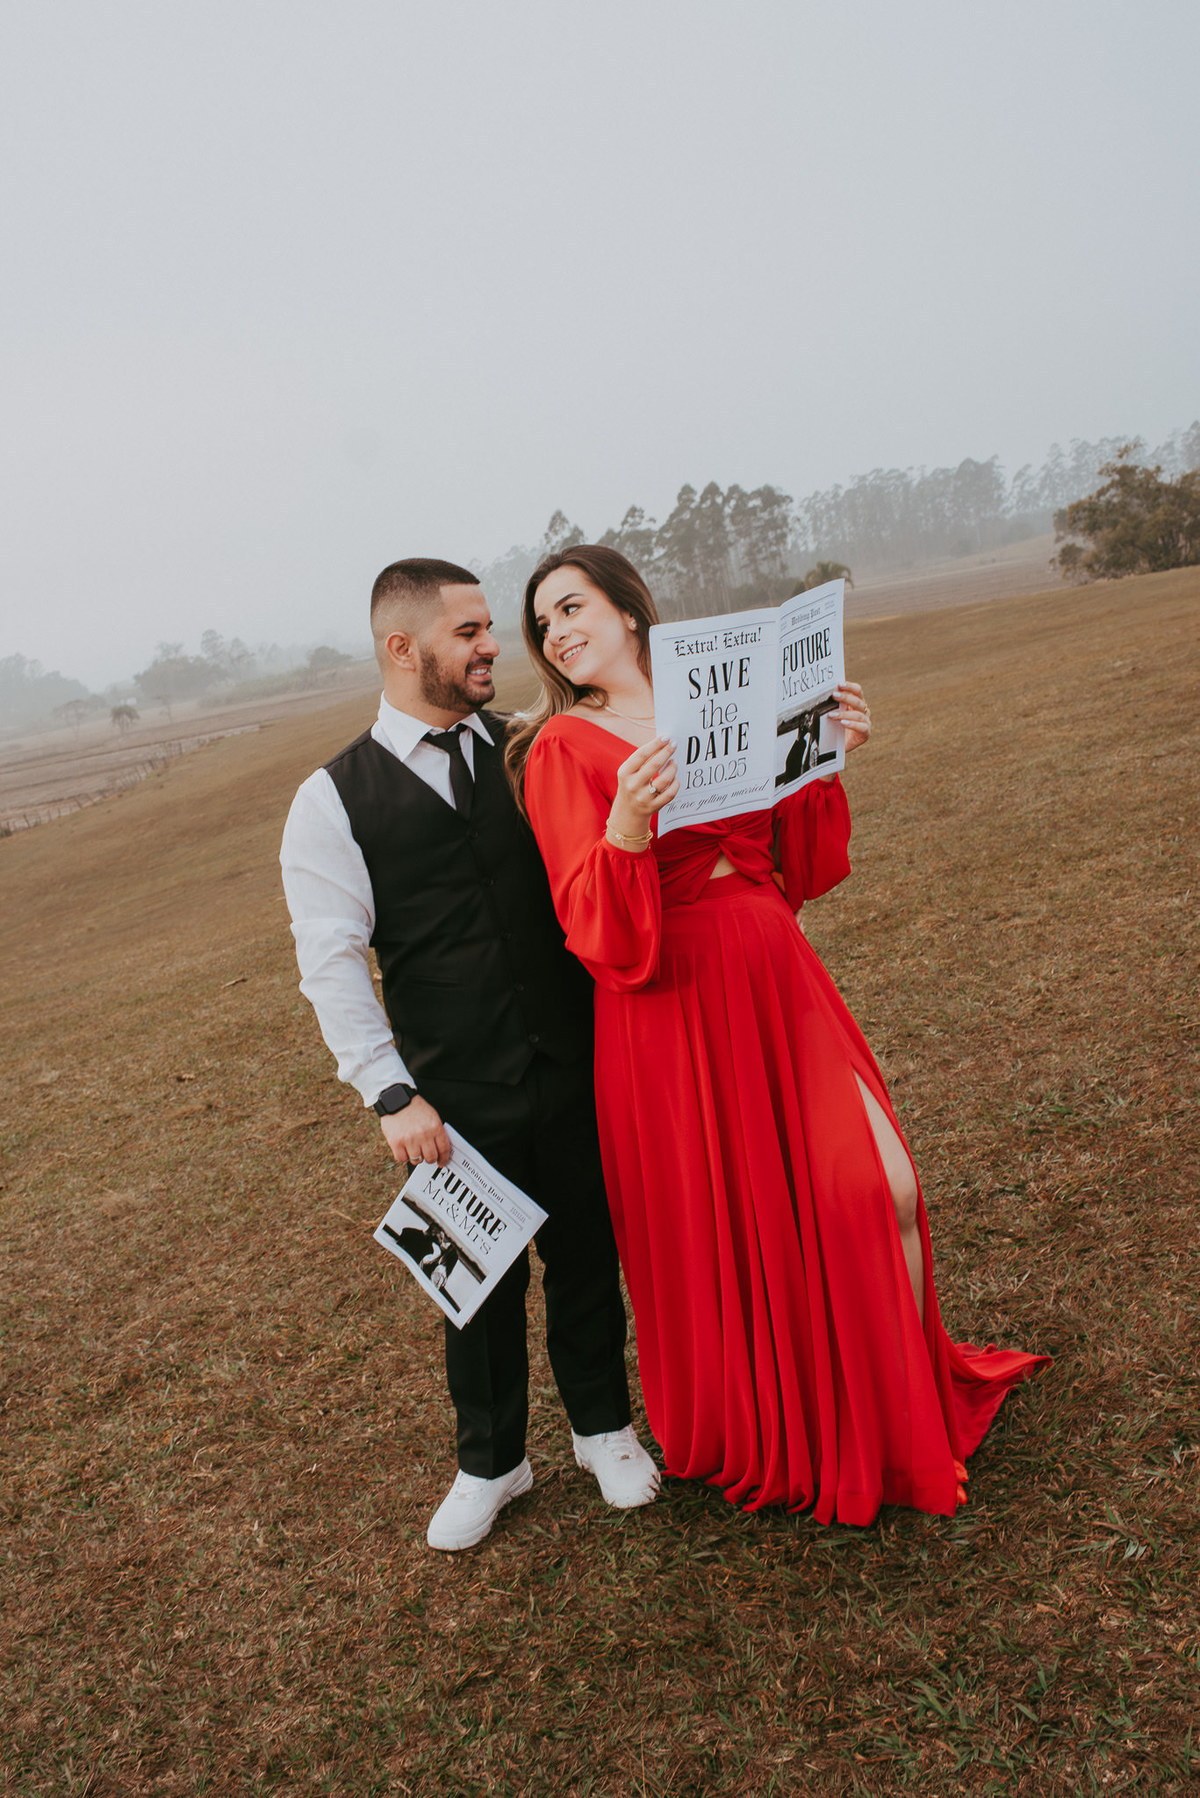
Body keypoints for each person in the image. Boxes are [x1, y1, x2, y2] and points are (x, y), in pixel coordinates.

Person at [507, 545, 1048, 1524]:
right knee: (742, 1217)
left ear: (629, 609)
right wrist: (627, 824)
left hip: (775, 968)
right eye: (544, 623)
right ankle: (798, 1422)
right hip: (668, 1005)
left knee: (883, 1184)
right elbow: (588, 925)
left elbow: (793, 866)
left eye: (573, 605)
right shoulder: (561, 750)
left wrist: (827, 754)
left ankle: (911, 1400)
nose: (559, 631)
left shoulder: (719, 702)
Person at [280, 557, 659, 1551]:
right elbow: (330, 962)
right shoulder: (330, 800)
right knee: (476, 1287)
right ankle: (492, 1460)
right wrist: (390, 1093)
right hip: (448, 1091)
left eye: (494, 628)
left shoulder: (534, 747)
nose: (495, 646)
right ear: (404, 650)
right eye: (471, 632)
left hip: (576, 1054)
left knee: (588, 1251)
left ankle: (603, 1428)